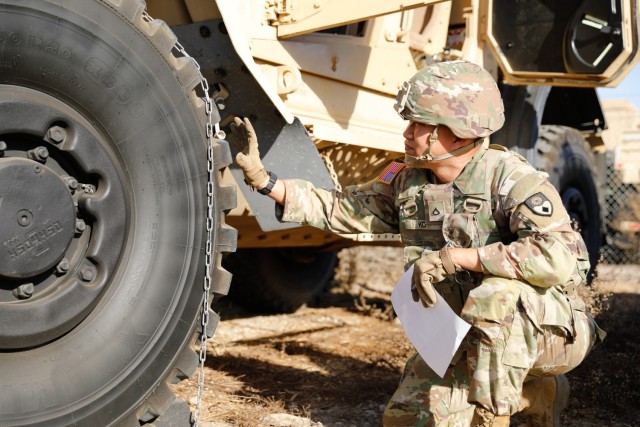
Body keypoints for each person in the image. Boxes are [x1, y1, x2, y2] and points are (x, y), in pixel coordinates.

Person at [227, 60, 604, 426]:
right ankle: (536, 394)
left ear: (458, 132)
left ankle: (495, 416)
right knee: (408, 419)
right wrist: (267, 183)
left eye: (419, 125)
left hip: (548, 333)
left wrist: (461, 258)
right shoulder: (407, 180)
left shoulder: (511, 179)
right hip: (466, 334)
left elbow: (558, 257)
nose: (407, 134)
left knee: (497, 298)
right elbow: (345, 208)